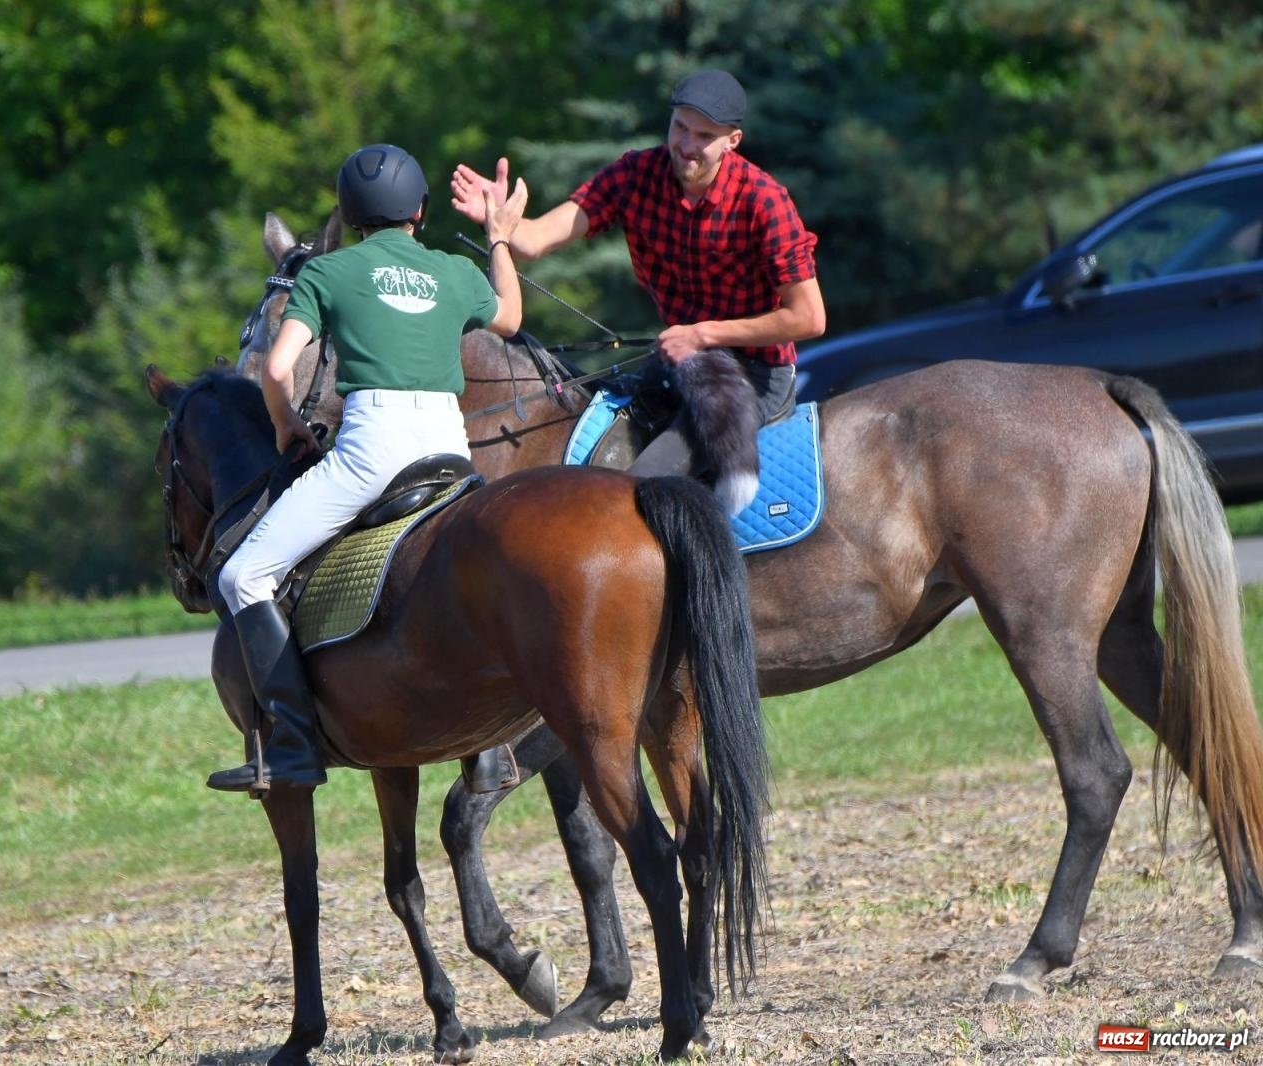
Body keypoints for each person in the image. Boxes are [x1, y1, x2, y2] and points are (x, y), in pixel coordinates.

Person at [207, 143, 529, 795]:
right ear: (420, 210)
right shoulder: (447, 269)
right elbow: (513, 317)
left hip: (372, 450)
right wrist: (497, 238)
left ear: (349, 219)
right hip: (447, 445)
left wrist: (284, 423)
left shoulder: (328, 275)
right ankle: (490, 746)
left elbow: (275, 367)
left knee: (244, 575)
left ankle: (293, 746)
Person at [450, 69, 826, 481]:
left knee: (636, 487)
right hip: (681, 362)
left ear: (732, 141)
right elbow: (536, 240)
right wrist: (501, 220)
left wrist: (702, 334)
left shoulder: (764, 200)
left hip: (754, 377)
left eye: (704, 136)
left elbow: (808, 317)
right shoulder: (636, 174)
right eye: (680, 128)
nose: (686, 145)